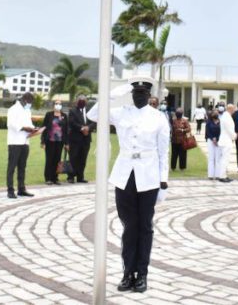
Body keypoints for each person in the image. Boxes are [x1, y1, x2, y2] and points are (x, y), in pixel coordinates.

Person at [88, 80, 170, 293]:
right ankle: (127, 273)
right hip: (125, 175)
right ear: (131, 94)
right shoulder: (120, 112)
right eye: (135, 92)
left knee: (145, 227)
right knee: (129, 226)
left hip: (149, 176)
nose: (139, 96)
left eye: (143, 93)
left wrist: (163, 182)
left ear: (149, 95)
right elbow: (93, 115)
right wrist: (113, 94)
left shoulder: (158, 117)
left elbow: (164, 152)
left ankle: (142, 274)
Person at [6, 92, 38, 199]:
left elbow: (29, 123)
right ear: (24, 100)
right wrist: (24, 128)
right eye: (29, 102)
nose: (30, 104)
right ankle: (10, 190)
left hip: (25, 141)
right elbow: (11, 124)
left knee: (22, 167)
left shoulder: (27, 110)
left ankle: (21, 189)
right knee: (12, 167)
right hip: (15, 142)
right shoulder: (13, 109)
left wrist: (33, 129)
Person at [66, 97, 92, 183]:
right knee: (73, 158)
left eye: (84, 101)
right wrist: (82, 128)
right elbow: (71, 122)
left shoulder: (90, 111)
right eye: (80, 101)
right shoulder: (72, 111)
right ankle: (71, 177)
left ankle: (80, 177)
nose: (82, 102)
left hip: (86, 139)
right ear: (77, 102)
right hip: (75, 139)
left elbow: (94, 122)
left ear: (86, 102)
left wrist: (88, 128)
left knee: (83, 158)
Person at [205, 108, 227, 181]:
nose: (215, 114)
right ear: (211, 114)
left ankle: (218, 175)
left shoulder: (221, 122)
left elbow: (222, 132)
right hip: (210, 141)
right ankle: (210, 175)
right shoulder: (209, 122)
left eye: (216, 112)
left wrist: (217, 139)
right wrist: (213, 139)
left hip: (219, 141)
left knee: (218, 159)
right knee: (211, 158)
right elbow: (207, 132)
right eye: (214, 112)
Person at [218, 103, 237, 183]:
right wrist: (234, 136)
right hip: (226, 141)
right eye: (233, 109)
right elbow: (229, 129)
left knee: (224, 159)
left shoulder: (226, 116)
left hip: (225, 140)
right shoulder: (226, 117)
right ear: (230, 109)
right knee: (224, 159)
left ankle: (223, 175)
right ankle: (222, 176)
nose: (234, 111)